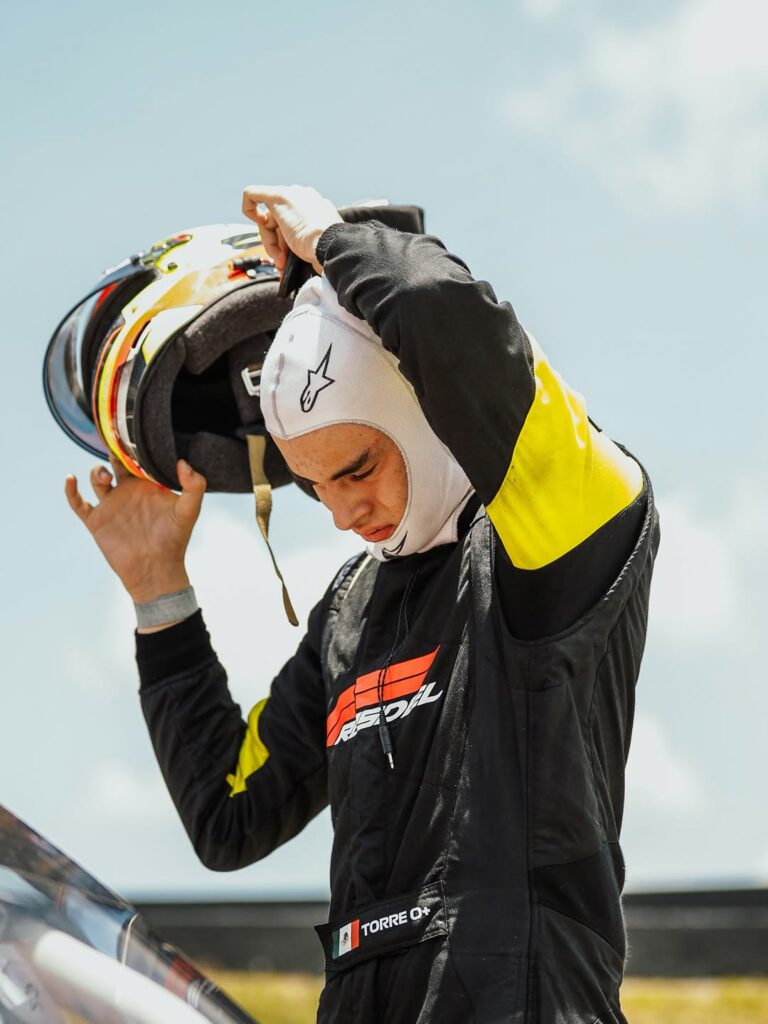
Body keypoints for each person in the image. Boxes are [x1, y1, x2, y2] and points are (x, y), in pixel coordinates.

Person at [65, 185, 660, 1023]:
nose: (343, 514)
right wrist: (157, 587)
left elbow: (433, 307)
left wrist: (334, 239)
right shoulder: (352, 605)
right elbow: (229, 817)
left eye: (358, 469)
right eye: (316, 487)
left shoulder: (559, 529)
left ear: (427, 411)